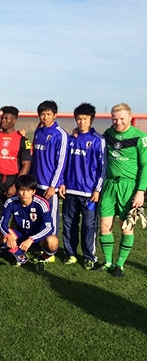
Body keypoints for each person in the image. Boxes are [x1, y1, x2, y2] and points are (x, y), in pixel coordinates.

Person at [93, 103, 147, 277]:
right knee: (104, 226)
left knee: (125, 227)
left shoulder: (140, 137)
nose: (118, 122)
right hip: (109, 185)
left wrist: (140, 191)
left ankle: (120, 264)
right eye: (115, 118)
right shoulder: (108, 134)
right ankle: (108, 262)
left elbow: (145, 166)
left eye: (122, 118)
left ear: (130, 118)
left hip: (128, 187)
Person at [58, 103, 105, 270]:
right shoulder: (71, 139)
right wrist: (62, 182)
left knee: (89, 225)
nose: (81, 122)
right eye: (78, 119)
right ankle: (70, 254)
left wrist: (97, 189)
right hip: (70, 190)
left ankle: (89, 256)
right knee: (69, 223)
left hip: (89, 193)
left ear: (91, 119)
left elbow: (102, 168)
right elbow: (63, 163)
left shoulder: (98, 141)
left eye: (85, 119)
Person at [0, 175, 59, 272]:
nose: (24, 193)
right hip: (20, 235)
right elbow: (2, 223)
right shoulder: (10, 202)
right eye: (22, 190)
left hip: (37, 238)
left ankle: (42, 259)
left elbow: (49, 227)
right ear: (17, 191)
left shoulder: (41, 203)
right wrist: (8, 236)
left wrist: (31, 239)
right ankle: (18, 254)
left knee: (53, 241)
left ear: (33, 191)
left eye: (28, 190)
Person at [0, 106, 31, 214]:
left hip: (14, 178)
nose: (3, 121)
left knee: (17, 212)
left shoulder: (22, 140)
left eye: (6, 118)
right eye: (2, 118)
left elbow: (26, 165)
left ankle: (14, 231)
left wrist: (15, 186)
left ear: (14, 121)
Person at [30, 100, 68, 232]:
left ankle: (50, 249)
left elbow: (61, 162)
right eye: (42, 114)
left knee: (50, 217)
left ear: (55, 115)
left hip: (49, 185)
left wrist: (54, 186)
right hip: (36, 183)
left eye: (48, 114)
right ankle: (38, 244)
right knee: (36, 215)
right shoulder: (38, 132)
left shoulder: (60, 134)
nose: (45, 117)